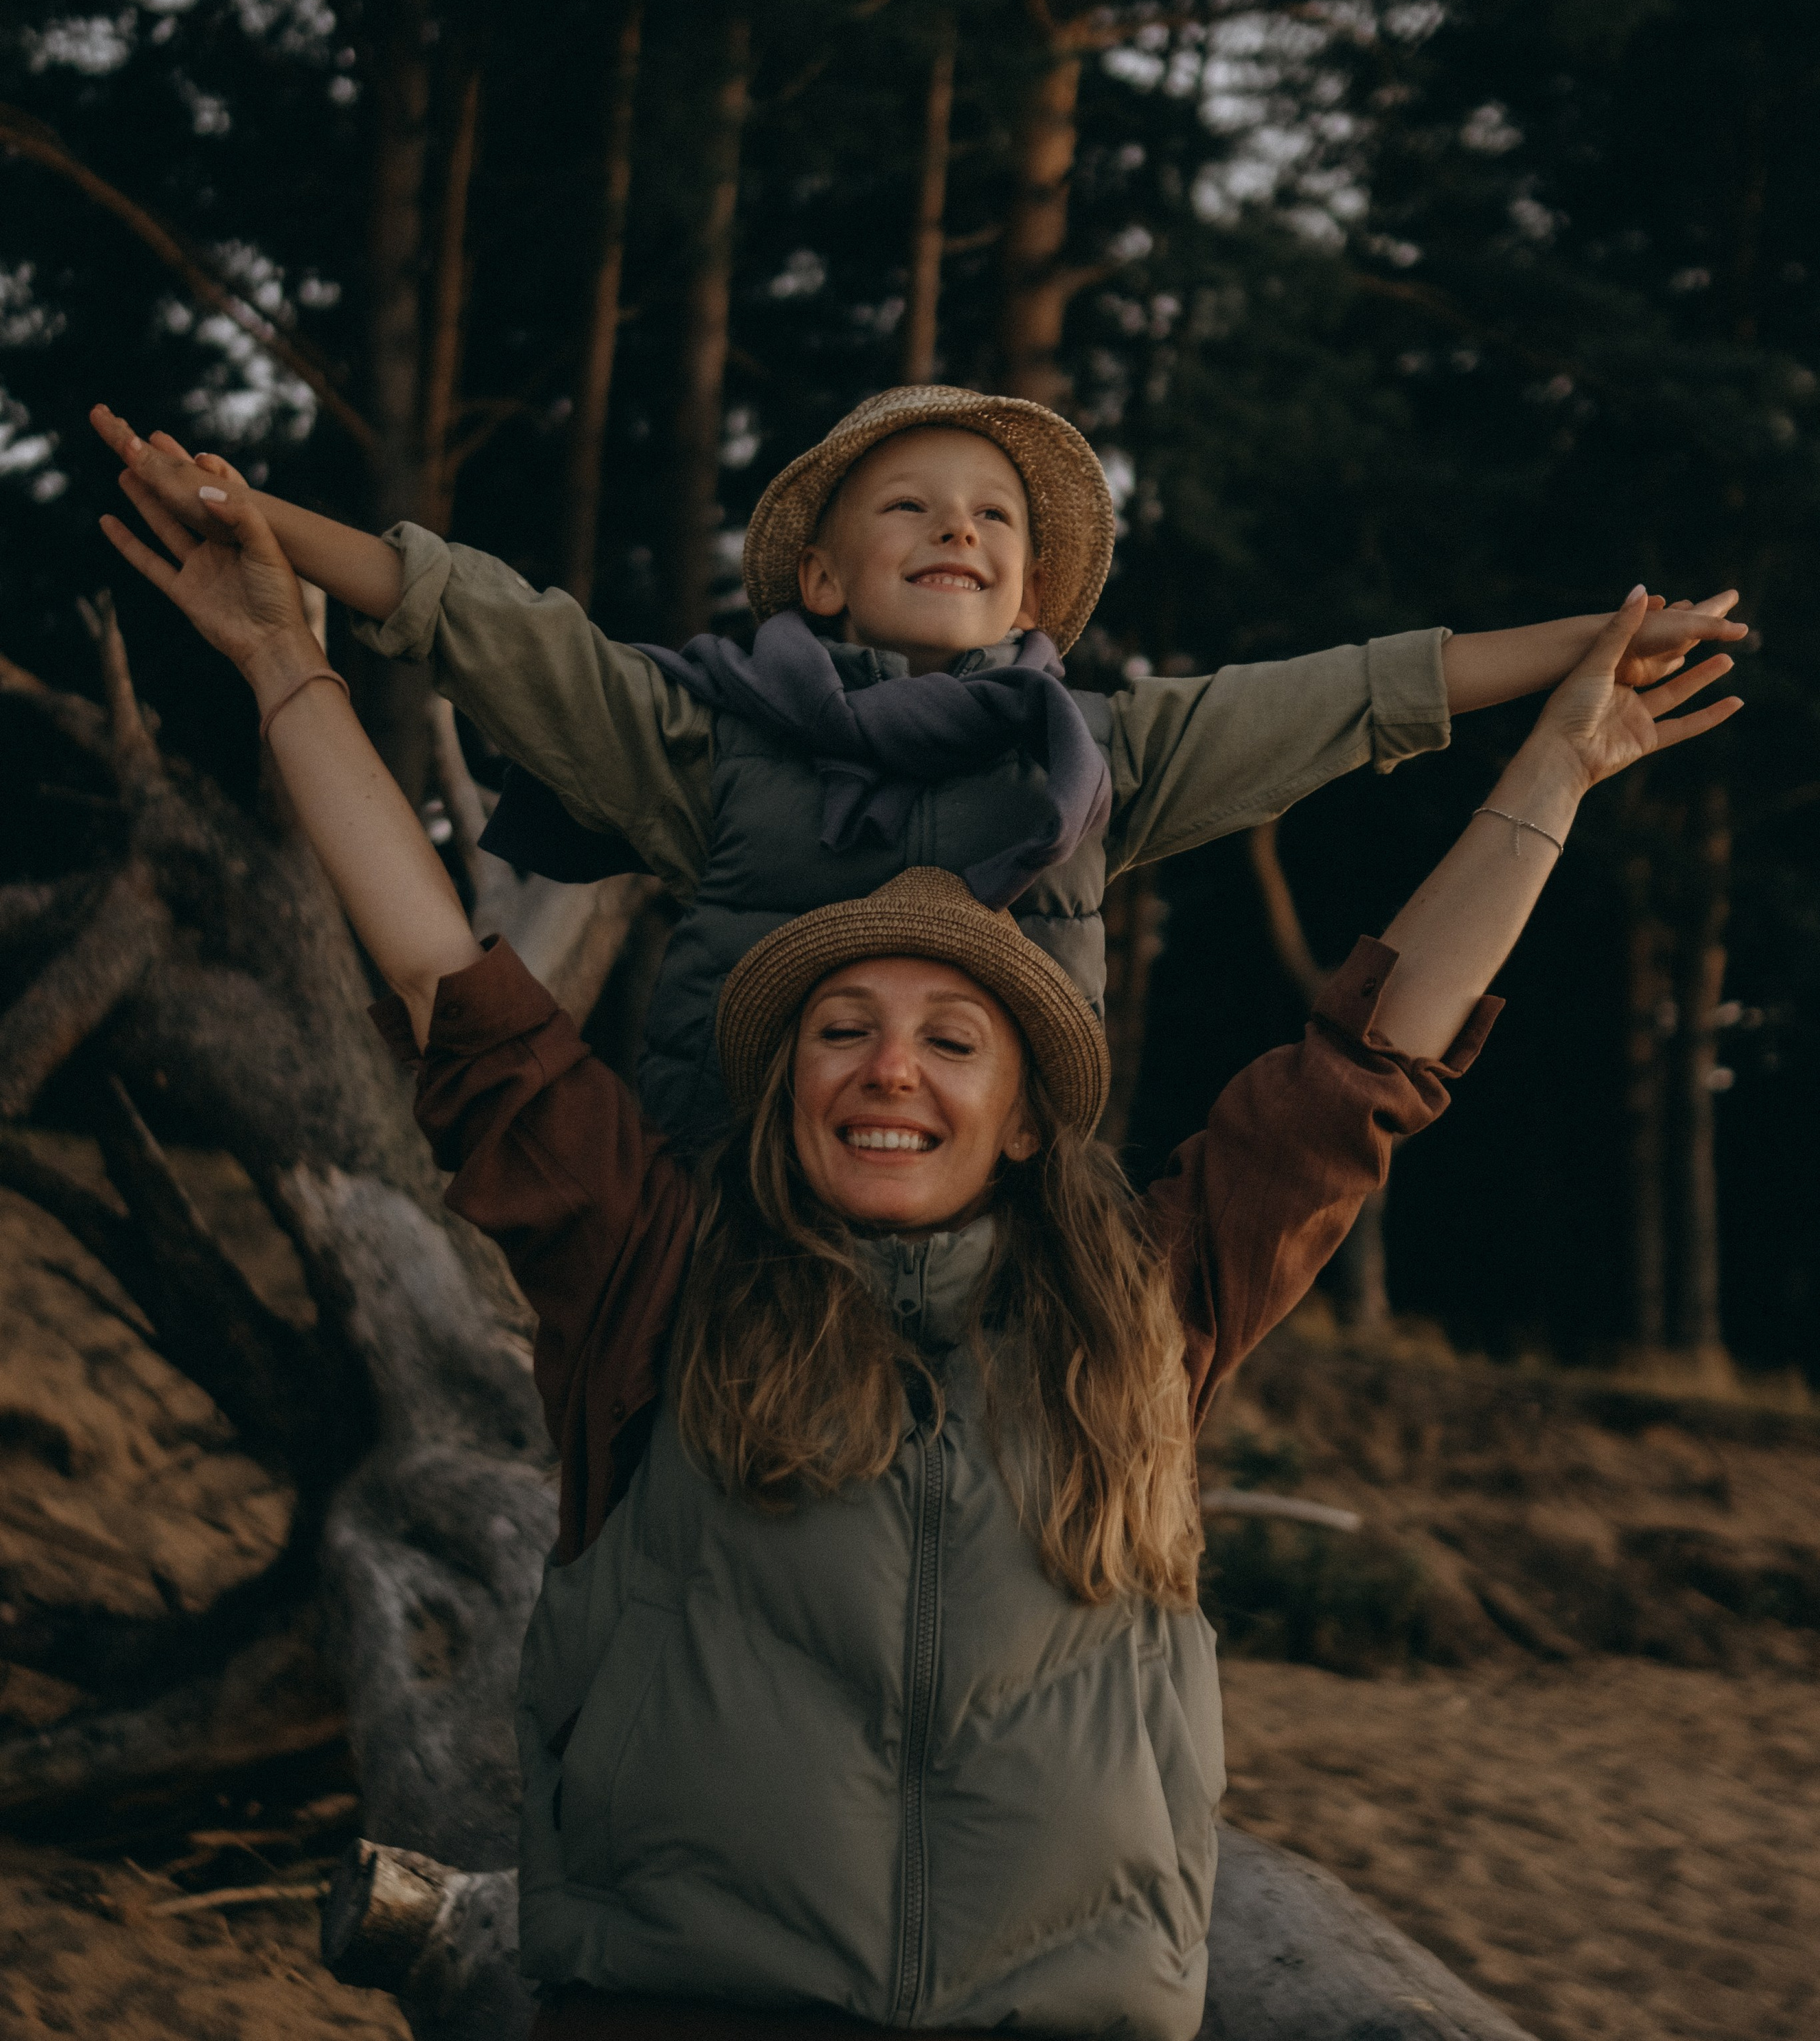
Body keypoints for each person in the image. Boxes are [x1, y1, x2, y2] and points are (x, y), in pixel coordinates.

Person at [97, 466, 1738, 2041]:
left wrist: (1553, 773)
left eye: (954, 1039)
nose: (890, 1067)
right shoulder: (651, 1277)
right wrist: (280, 661)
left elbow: (1367, 1070)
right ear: (781, 1088)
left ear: (1028, 1116)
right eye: (842, 1031)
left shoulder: (1141, 1310)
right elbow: (449, 981)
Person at [88, 395, 1745, 1159]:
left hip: (991, 1213)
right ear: (817, 576)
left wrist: (1588, 644)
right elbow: (497, 631)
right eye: (910, 504)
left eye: (994, 517)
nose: (957, 525)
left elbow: (1357, 696)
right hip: (715, 1202)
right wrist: (262, 531)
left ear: (1030, 598)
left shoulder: (1104, 760)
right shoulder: (708, 739)